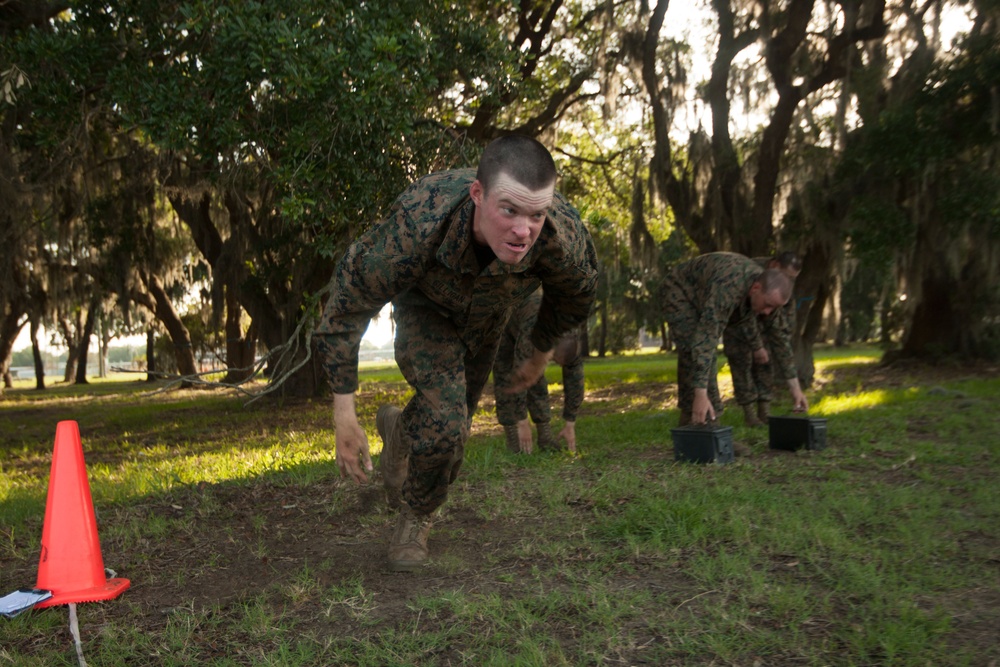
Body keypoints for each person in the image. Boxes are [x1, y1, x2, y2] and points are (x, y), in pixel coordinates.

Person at [314, 135, 599, 572]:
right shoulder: (418, 222)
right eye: (509, 211)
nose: (523, 231)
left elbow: (575, 297)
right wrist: (343, 415)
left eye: (536, 214)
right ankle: (416, 518)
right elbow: (348, 304)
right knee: (447, 423)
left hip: (490, 317)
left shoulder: (562, 235)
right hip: (426, 310)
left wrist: (540, 352)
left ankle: (400, 430)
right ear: (478, 195)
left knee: (452, 427)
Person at [661, 251, 806, 426]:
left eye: (773, 308)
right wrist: (701, 394)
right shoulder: (728, 288)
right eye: (767, 305)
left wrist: (796, 390)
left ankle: (689, 421)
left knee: (695, 352)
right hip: (681, 292)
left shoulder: (765, 296)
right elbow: (705, 343)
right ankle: (711, 425)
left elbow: (780, 340)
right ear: (755, 289)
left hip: (706, 292)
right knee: (696, 350)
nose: (768, 312)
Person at [492, 287, 586, 454]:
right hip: (505, 320)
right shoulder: (533, 333)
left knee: (537, 376)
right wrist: (522, 421)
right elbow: (520, 376)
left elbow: (576, 379)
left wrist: (570, 422)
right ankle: (514, 440)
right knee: (506, 376)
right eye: (553, 360)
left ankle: (545, 436)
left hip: (534, 320)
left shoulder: (572, 334)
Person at [722, 252, 805, 426]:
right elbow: (743, 317)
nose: (789, 281)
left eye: (793, 278)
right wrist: (756, 345)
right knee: (741, 362)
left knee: (765, 363)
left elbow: (783, 324)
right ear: (774, 265)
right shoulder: (750, 275)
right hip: (738, 327)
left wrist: (795, 389)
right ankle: (749, 413)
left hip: (763, 326)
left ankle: (764, 409)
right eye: (787, 276)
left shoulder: (782, 284)